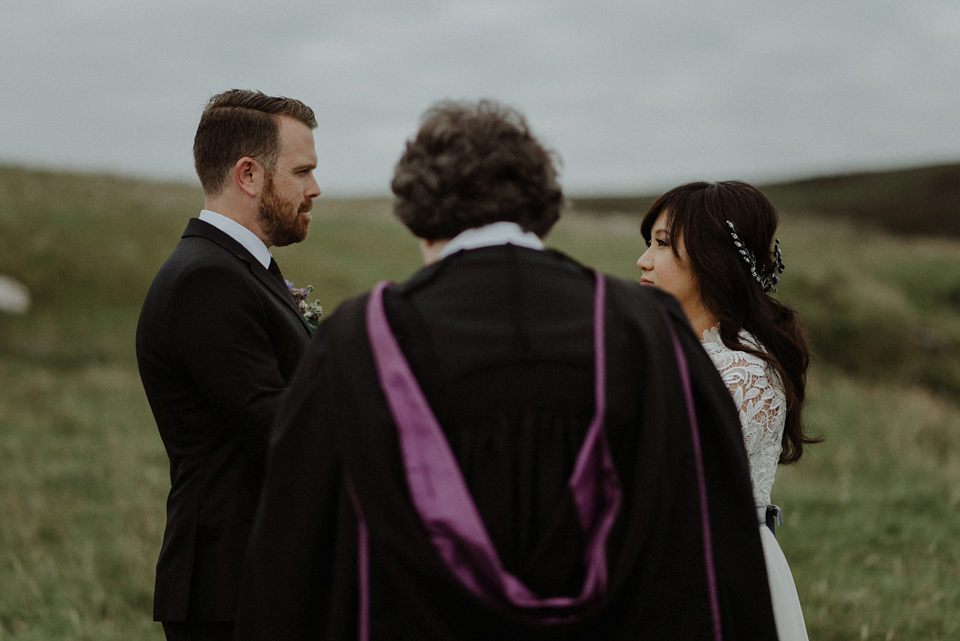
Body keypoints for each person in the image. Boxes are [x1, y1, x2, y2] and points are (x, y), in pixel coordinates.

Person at [235, 100, 779, 640]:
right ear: (543, 207)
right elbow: (710, 545)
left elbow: (294, 555)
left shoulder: (359, 343)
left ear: (420, 217)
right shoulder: (646, 331)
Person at [135, 89, 321, 641]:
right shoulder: (207, 280)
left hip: (255, 580)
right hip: (232, 588)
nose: (315, 188)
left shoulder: (238, 270)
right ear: (249, 175)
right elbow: (280, 430)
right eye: (302, 171)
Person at [637, 180, 817, 641]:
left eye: (661, 244)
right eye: (648, 243)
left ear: (710, 257)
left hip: (718, 573)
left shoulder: (742, 373)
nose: (643, 261)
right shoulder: (678, 353)